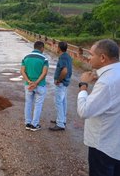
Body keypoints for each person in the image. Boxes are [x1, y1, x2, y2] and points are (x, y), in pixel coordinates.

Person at [77, 39, 120, 176]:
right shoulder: (115, 73)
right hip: (115, 141)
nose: (89, 58)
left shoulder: (106, 82)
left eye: (91, 54)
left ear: (102, 58)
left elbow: (84, 111)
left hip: (102, 144)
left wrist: (83, 85)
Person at [21, 41, 49, 131]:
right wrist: (36, 82)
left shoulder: (26, 57)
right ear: (42, 48)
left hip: (28, 85)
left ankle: (27, 123)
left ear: (34, 47)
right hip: (40, 85)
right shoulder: (44, 59)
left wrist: (29, 81)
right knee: (38, 105)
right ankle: (34, 124)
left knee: (28, 103)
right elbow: (44, 73)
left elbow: (22, 71)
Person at [49, 41, 72, 131]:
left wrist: (58, 80)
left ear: (59, 48)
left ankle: (60, 124)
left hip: (61, 83)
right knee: (63, 102)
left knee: (58, 102)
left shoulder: (62, 57)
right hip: (65, 83)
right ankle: (62, 120)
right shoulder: (68, 56)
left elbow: (64, 71)